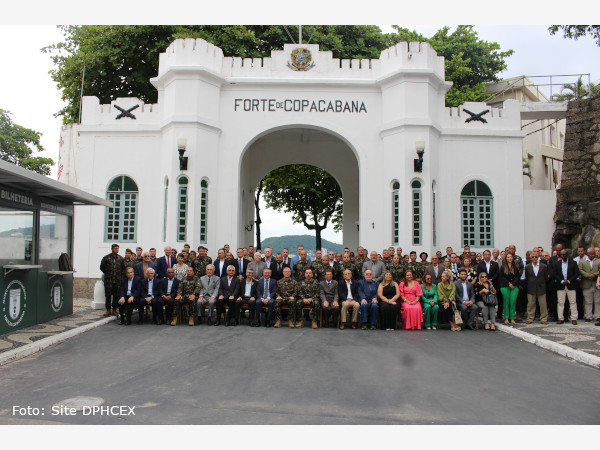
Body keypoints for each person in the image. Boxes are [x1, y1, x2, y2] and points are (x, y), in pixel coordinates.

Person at [551, 249, 580, 325]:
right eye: (561, 254)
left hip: (571, 285)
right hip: (561, 285)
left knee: (573, 302)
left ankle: (574, 318)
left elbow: (576, 273)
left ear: (567, 255)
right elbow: (555, 274)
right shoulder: (557, 263)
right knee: (560, 302)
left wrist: (569, 281)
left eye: (564, 254)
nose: (562, 256)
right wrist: (561, 281)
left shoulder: (573, 263)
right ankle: (560, 318)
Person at [100, 243, 125, 317]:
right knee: (108, 295)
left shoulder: (120, 258)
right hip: (109, 280)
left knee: (116, 295)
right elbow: (102, 267)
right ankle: (108, 309)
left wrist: (120, 277)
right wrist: (108, 273)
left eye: (118, 248)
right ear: (112, 249)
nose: (117, 250)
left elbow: (123, 269)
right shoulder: (106, 258)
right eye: (115, 248)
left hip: (117, 281)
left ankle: (114, 310)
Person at [524, 251, 549, 324]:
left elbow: (546, 278)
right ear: (530, 258)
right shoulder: (527, 267)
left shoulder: (543, 266)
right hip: (531, 287)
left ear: (538, 258)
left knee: (543, 304)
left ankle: (544, 318)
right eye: (533, 257)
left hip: (541, 287)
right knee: (531, 304)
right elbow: (527, 277)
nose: (534, 258)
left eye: (536, 257)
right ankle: (530, 318)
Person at [499, 253, 522, 325]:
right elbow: (502, 277)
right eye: (508, 257)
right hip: (505, 286)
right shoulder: (503, 267)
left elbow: (518, 277)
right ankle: (506, 318)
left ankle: (512, 318)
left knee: (513, 302)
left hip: (514, 286)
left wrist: (513, 284)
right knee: (506, 302)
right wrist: (509, 283)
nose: (509, 258)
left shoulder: (515, 267)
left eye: (511, 257)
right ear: (506, 258)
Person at [578, 248, 600, 323]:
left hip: (596, 284)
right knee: (588, 301)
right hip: (586, 284)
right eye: (590, 254)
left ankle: (598, 316)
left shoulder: (598, 261)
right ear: (587, 254)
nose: (592, 255)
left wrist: (594, 275)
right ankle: (588, 316)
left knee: (597, 301)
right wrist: (587, 275)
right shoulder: (582, 261)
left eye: (593, 254)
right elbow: (580, 270)